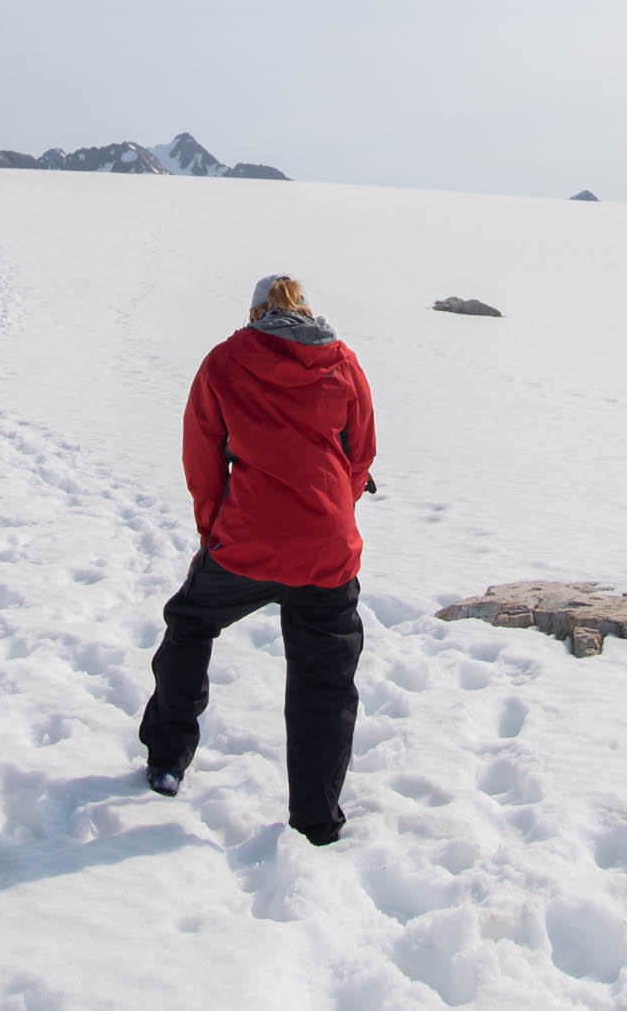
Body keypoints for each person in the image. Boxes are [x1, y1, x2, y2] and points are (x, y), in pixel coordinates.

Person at [139, 274, 377, 846]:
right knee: (325, 680)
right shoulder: (341, 362)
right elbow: (360, 452)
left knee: (192, 622)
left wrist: (213, 532)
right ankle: (316, 823)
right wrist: (329, 515)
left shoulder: (225, 361)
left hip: (245, 543)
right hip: (326, 548)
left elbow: (201, 457)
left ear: (254, 312)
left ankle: (168, 759)